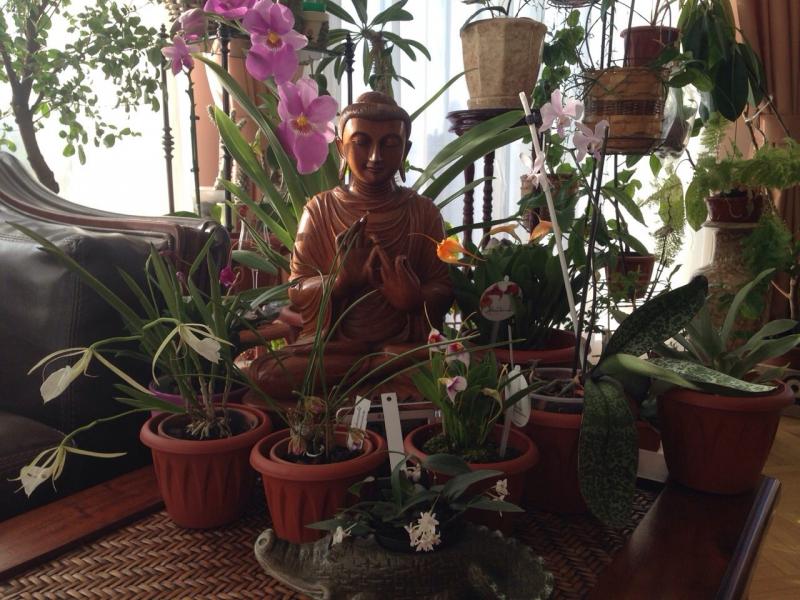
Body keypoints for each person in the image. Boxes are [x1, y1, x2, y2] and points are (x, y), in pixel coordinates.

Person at [249, 91, 453, 402]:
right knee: (267, 375)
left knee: (460, 366)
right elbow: (297, 289)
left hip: (403, 349)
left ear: (405, 150)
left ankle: (363, 381)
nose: (375, 157)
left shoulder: (423, 213)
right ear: (341, 148)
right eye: (361, 142)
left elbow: (444, 288)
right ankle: (376, 371)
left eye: (390, 144)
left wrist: (415, 299)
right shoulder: (320, 210)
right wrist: (340, 282)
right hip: (339, 349)